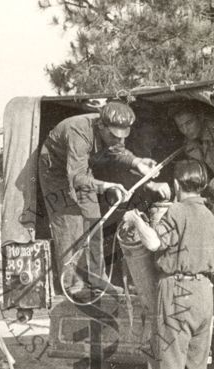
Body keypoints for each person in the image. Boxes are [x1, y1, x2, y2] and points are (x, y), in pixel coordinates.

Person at [122, 160, 214, 369]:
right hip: (205, 292)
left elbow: (153, 243)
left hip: (177, 290)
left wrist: (137, 220)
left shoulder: (177, 212)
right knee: (195, 363)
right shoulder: (210, 216)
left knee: (167, 362)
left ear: (177, 184)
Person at [38, 101, 159, 298]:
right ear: (101, 126)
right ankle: (72, 285)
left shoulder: (113, 131)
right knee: (71, 223)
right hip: (56, 172)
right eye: (113, 135)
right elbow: (76, 178)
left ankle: (97, 280)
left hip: (79, 168)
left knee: (94, 219)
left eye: (123, 136)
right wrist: (105, 186)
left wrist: (138, 163)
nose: (118, 140)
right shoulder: (78, 132)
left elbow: (118, 151)